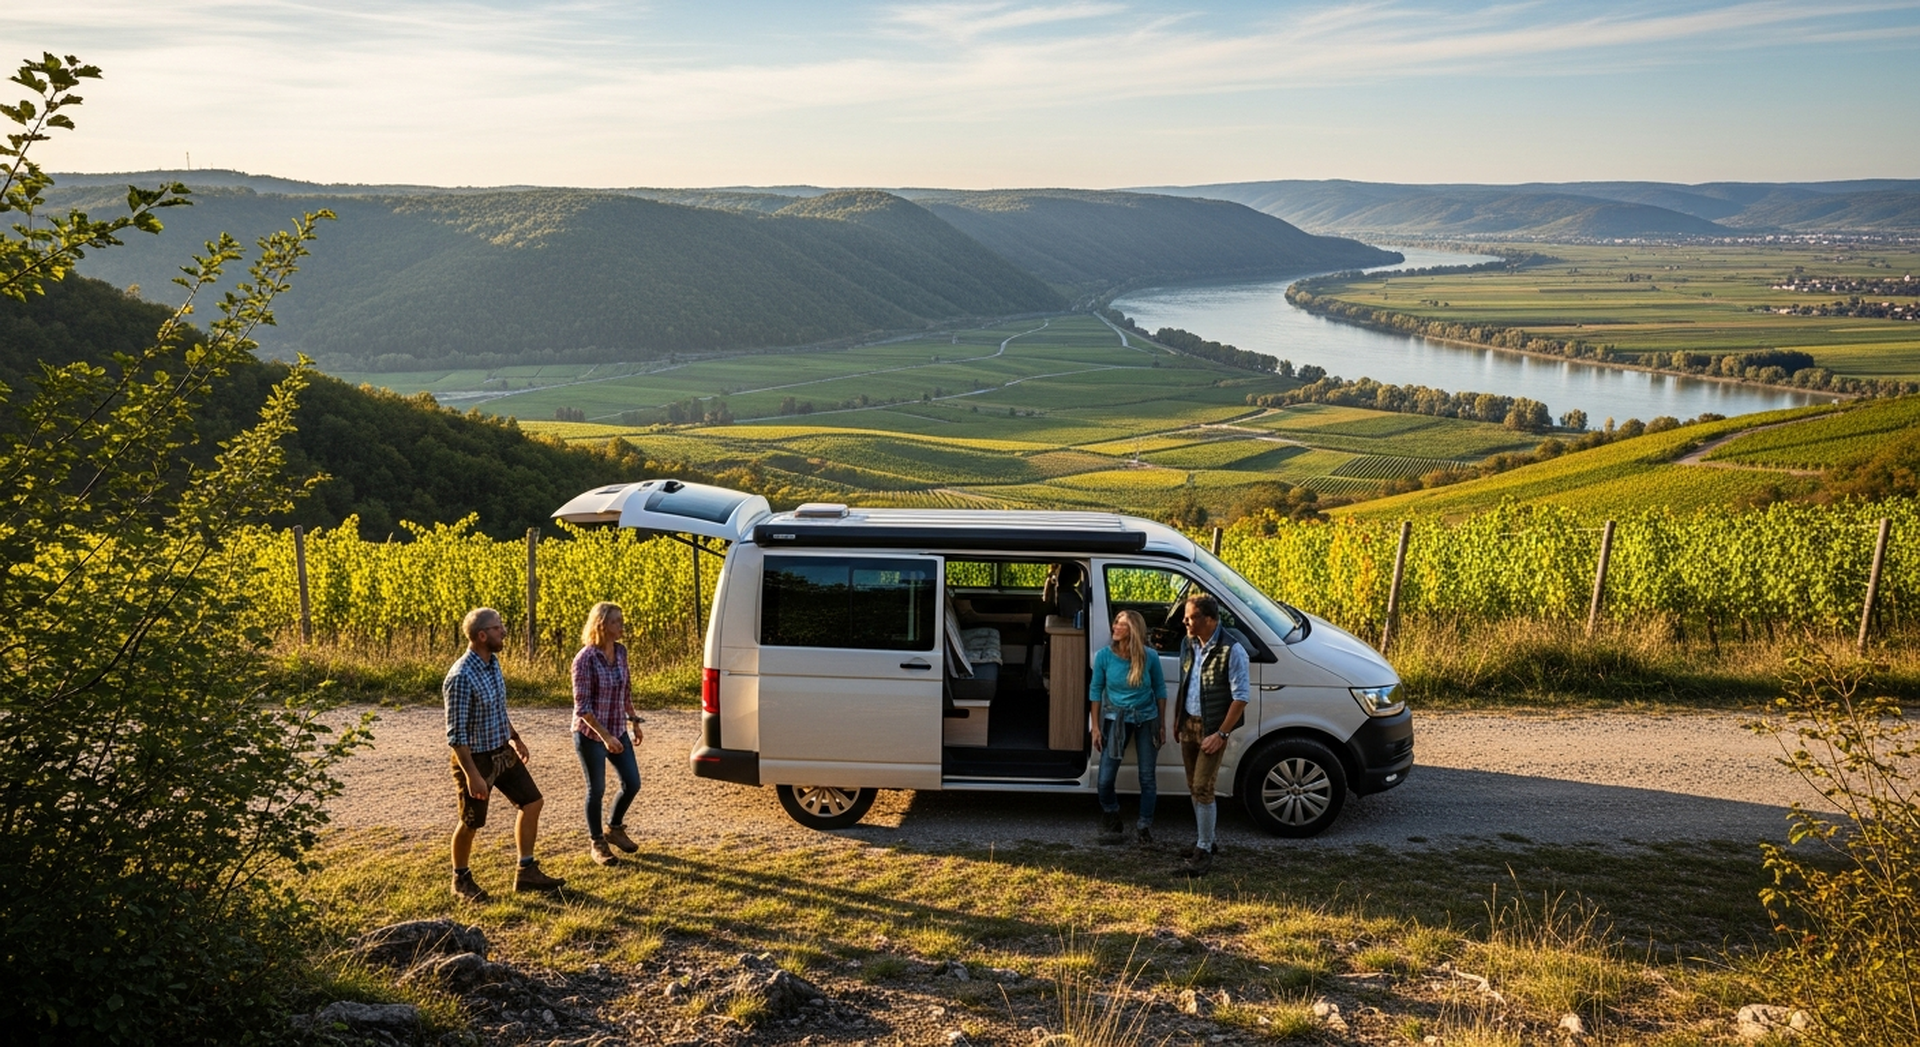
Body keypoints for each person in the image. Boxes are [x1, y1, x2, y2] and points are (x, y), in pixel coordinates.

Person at [445, 606, 564, 902]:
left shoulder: (492, 663)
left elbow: (497, 708)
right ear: (482, 635)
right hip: (475, 758)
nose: (504, 632)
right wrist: (473, 775)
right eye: (498, 628)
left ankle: (526, 871)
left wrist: (515, 737)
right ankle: (460, 879)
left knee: (533, 801)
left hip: (501, 749)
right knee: (471, 821)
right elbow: (456, 736)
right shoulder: (460, 677)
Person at [1174, 593, 1249, 876]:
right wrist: (1177, 719)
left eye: (1191, 617)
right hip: (1188, 723)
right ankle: (1206, 841)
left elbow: (1240, 698)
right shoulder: (1188, 643)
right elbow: (1186, 683)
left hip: (1211, 729)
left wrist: (1220, 733)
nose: (1185, 621)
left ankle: (1204, 850)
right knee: (1194, 785)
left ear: (1209, 619)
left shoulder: (1232, 650)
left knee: (1204, 787)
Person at [572, 602, 644, 866]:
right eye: (617, 622)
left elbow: (625, 692)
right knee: (597, 789)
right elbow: (583, 709)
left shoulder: (622, 652)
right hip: (591, 734)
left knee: (632, 783)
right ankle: (597, 843)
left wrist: (634, 721)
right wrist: (605, 737)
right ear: (602, 625)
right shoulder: (585, 659)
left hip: (617, 728)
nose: (622, 626)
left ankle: (614, 828)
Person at [1090, 609, 1167, 845]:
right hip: (1116, 717)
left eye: (1120, 624)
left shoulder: (1149, 656)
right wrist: (1095, 726)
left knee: (1147, 776)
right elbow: (1095, 691)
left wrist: (1162, 724)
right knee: (1104, 779)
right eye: (1115, 623)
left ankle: (1144, 826)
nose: (1114, 627)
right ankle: (1111, 813)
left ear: (1132, 630)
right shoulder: (1104, 656)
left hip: (1146, 717)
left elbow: (1160, 690)